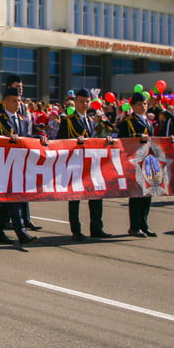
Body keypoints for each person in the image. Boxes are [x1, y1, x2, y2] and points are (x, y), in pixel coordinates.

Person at [0, 87, 43, 246]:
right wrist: (7, 140)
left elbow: (27, 138)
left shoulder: (23, 120)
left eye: (19, 101)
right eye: (14, 101)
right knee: (14, 199)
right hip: (3, 165)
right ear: (5, 102)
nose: (18, 104)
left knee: (8, 201)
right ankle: (21, 233)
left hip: (19, 166)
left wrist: (40, 138)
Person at [56, 89, 110, 241]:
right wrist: (74, 142)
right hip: (75, 165)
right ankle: (76, 230)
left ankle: (96, 228)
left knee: (96, 196)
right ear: (76, 102)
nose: (84, 104)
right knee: (75, 198)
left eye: (87, 101)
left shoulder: (92, 121)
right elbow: (60, 141)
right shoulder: (68, 120)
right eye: (81, 101)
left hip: (90, 165)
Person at [118, 91, 157, 237]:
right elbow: (122, 140)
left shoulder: (148, 122)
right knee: (136, 195)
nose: (143, 107)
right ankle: (134, 226)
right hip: (134, 160)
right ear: (133, 106)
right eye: (140, 104)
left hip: (147, 160)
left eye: (145, 104)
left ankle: (143, 224)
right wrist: (137, 137)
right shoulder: (128, 122)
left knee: (147, 194)